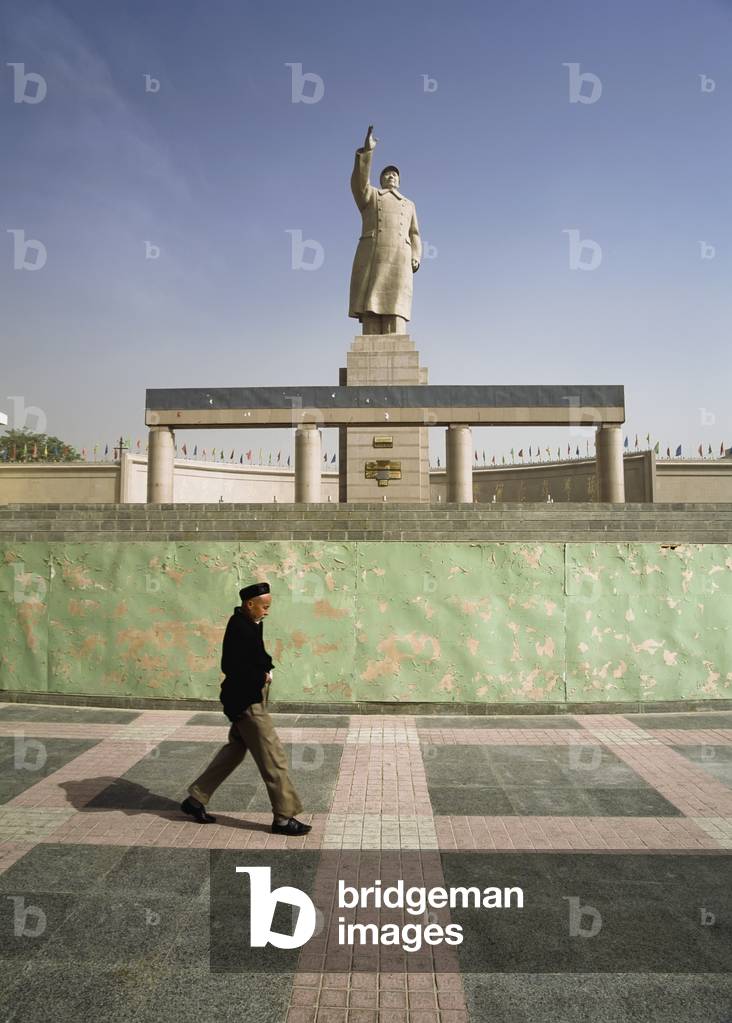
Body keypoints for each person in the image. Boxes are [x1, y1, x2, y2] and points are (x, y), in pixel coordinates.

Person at [180, 582, 312, 836]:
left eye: (268, 607)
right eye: (264, 606)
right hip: (247, 702)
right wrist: (260, 677)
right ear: (249, 604)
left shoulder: (251, 622)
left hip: (247, 698)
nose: (267, 611)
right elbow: (231, 666)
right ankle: (284, 819)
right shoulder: (239, 626)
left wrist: (266, 667)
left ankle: (195, 799)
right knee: (274, 758)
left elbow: (257, 654)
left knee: (234, 751)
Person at [348, 124, 422, 334]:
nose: (391, 176)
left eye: (394, 175)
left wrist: (416, 255)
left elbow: (414, 233)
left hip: (400, 256)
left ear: (399, 181)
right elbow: (359, 183)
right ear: (380, 180)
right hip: (374, 253)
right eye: (387, 174)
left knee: (396, 304)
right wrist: (367, 152)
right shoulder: (371, 196)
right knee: (371, 302)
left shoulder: (409, 204)